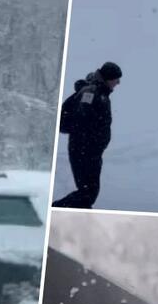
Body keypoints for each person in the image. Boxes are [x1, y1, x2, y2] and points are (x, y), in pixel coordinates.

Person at [52, 61, 121, 209]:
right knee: (88, 193)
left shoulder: (99, 93)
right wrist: (92, 145)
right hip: (84, 151)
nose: (118, 83)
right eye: (116, 79)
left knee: (88, 193)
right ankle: (55, 210)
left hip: (88, 151)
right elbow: (82, 120)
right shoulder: (91, 93)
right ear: (109, 77)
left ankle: (71, 215)